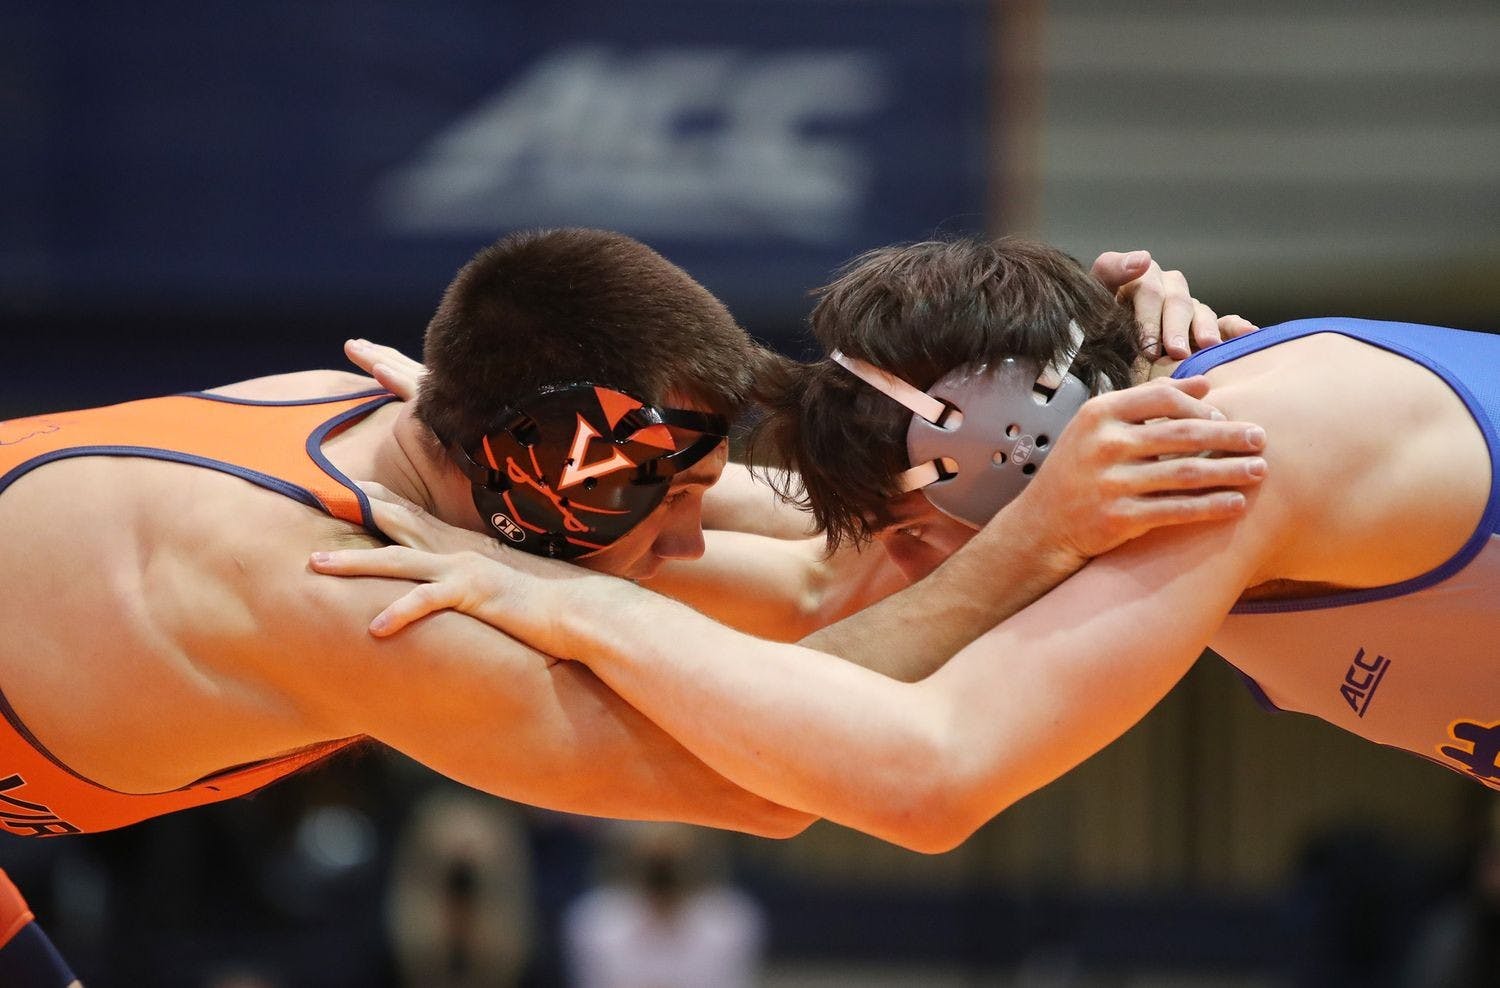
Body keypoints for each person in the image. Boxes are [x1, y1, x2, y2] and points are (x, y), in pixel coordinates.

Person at [0, 228, 1262, 853]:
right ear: (551, 481)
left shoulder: (438, 441)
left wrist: (1085, 384)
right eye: (672, 505)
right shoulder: (351, 594)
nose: (697, 542)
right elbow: (775, 778)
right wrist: (1041, 536)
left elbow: (823, 573)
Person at [313, 234, 1500, 856]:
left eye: (921, 533)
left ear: (1028, 446)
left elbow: (930, 778)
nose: (920, 574)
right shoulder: (1120, 460)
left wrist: (573, 606)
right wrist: (498, 454)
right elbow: (811, 570)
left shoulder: (1236, 457)